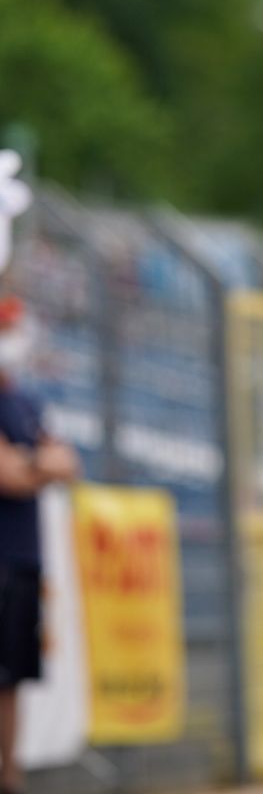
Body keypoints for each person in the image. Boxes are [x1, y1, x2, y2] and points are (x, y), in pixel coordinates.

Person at [0, 295, 80, 789]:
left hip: (23, 559)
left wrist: (33, 466)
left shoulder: (26, 400)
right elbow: (11, 475)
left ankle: (10, 773)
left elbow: (66, 463)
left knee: (13, 681)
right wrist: (38, 466)